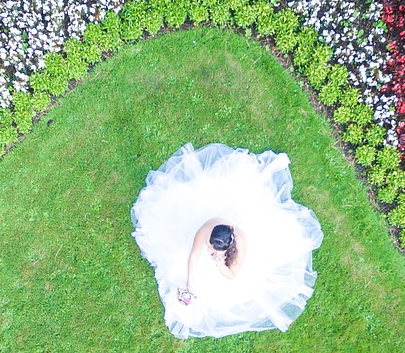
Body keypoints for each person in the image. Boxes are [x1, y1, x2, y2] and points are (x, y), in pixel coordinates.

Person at [131, 143, 322, 339]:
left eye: (214, 247)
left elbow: (231, 276)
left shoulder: (241, 244)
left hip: (226, 266)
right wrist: (190, 280)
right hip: (217, 245)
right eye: (210, 244)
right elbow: (194, 254)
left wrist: (219, 263)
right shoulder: (208, 228)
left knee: (223, 292)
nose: (209, 248)